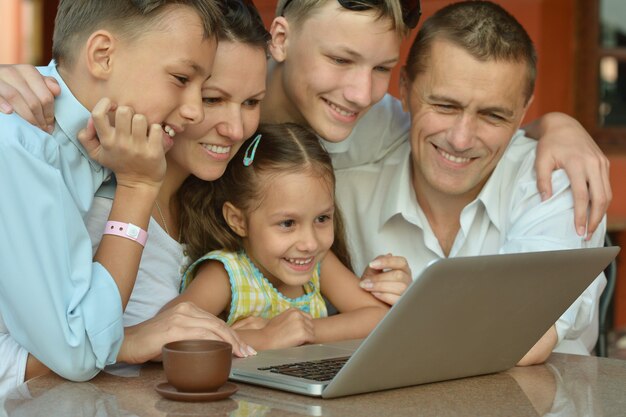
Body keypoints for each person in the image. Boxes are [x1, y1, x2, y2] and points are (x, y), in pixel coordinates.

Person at [0, 1, 612, 240]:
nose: (359, 91)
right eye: (341, 59)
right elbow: (108, 72)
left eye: (380, 69)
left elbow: (458, 131)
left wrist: (558, 125)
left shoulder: (374, 125)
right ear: (281, 38)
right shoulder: (203, 84)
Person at [0, 0, 274, 395]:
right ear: (102, 56)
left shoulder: (107, 145)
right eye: (181, 79)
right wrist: (138, 187)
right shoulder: (23, 145)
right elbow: (78, 349)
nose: (195, 111)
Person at [333, 1, 607, 365]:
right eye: (445, 106)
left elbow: (523, 335)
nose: (461, 139)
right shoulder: (343, 185)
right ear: (404, 89)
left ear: (524, 112)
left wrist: (413, 309)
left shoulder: (563, 182)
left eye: (493, 115)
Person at [164, 123, 400, 350]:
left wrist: (306, 332)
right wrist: (264, 338)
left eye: (322, 219)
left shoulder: (320, 263)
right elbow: (168, 335)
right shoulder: (227, 275)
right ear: (238, 221)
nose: (309, 243)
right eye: (287, 223)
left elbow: (378, 316)